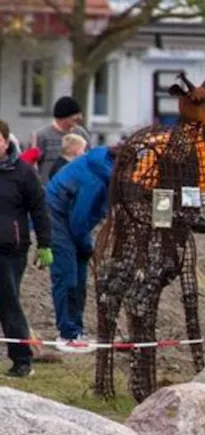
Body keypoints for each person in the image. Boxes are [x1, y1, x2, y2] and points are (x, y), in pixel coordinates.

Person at [44, 143, 113, 352]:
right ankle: (67, 334)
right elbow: (79, 220)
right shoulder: (95, 180)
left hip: (72, 218)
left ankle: (77, 330)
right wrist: (86, 245)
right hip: (55, 215)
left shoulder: (106, 166)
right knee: (68, 276)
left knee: (80, 276)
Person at [0, 121, 52, 378]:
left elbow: (40, 209)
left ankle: (22, 360)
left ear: (5, 141)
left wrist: (45, 244)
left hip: (10, 249)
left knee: (7, 301)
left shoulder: (22, 172)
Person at [31, 96, 90, 183]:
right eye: (75, 114)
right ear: (63, 116)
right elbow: (31, 166)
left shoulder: (81, 134)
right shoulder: (41, 136)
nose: (80, 117)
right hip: (48, 191)